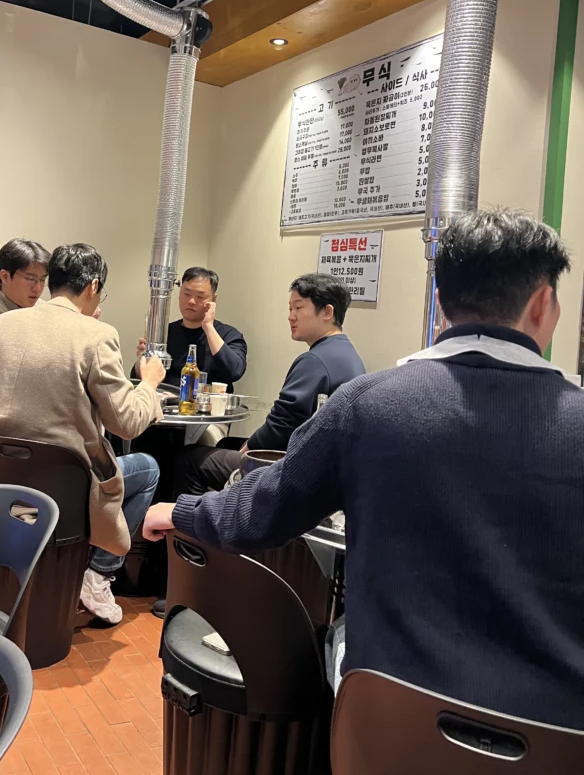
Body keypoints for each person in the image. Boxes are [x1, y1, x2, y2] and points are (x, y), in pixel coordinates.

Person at [144, 209, 584, 729]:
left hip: (388, 716)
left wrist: (182, 511)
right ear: (544, 305)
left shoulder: (368, 405)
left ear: (440, 302)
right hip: (554, 730)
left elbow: (266, 507)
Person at [0, 243, 167, 626]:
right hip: (63, 487)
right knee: (146, 467)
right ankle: (98, 575)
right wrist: (148, 383)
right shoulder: (97, 335)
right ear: (93, 286)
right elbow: (127, 423)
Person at [174, 273, 365, 497]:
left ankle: (193, 525)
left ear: (327, 312)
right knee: (225, 442)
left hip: (295, 466)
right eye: (290, 309)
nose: (291, 317)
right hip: (324, 463)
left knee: (189, 459)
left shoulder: (316, 360)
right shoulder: (345, 352)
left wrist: (251, 445)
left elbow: (283, 422)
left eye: (298, 308)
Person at [134, 267, 247, 391]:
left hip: (208, 408)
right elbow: (139, 379)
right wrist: (143, 358)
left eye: (200, 297)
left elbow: (235, 371)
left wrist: (208, 327)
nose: (191, 301)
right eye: (186, 294)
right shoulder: (164, 333)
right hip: (165, 406)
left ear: (213, 300)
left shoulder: (228, 335)